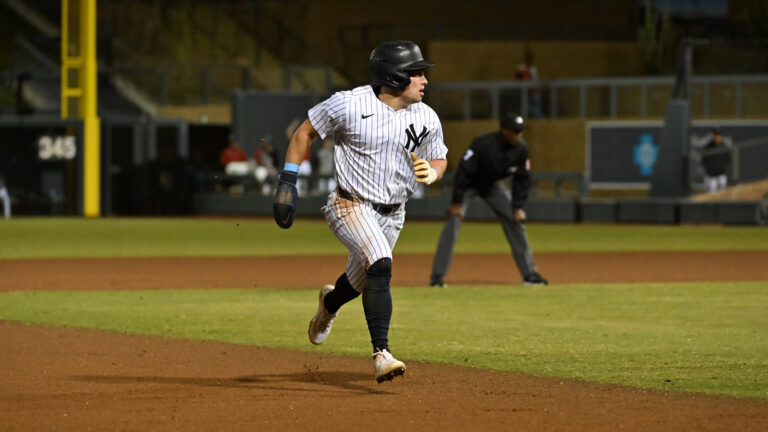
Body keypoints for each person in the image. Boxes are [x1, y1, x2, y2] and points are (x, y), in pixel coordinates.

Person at [272, 40, 447, 383]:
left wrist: (435, 171)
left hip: (394, 214)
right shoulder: (349, 104)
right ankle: (382, 354)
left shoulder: (426, 115)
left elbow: (439, 155)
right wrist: (288, 181)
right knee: (381, 263)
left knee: (358, 282)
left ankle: (329, 305)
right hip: (348, 204)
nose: (424, 79)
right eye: (416, 73)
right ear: (395, 77)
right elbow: (305, 131)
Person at [430, 113, 547, 288]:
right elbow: (463, 171)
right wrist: (456, 203)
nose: (519, 135)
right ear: (504, 131)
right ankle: (437, 277)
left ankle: (530, 274)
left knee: (515, 221)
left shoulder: (521, 149)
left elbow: (523, 179)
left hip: (492, 186)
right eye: (515, 132)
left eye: (520, 131)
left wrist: (518, 207)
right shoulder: (483, 144)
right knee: (454, 219)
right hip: (469, 184)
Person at [701, 127, 731, 193]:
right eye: (716, 136)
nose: (717, 138)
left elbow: (728, 159)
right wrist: (708, 170)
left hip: (721, 175)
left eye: (719, 136)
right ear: (713, 137)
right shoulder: (708, 147)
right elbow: (703, 160)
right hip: (711, 176)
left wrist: (722, 168)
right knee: (712, 194)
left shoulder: (724, 146)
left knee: (723, 194)